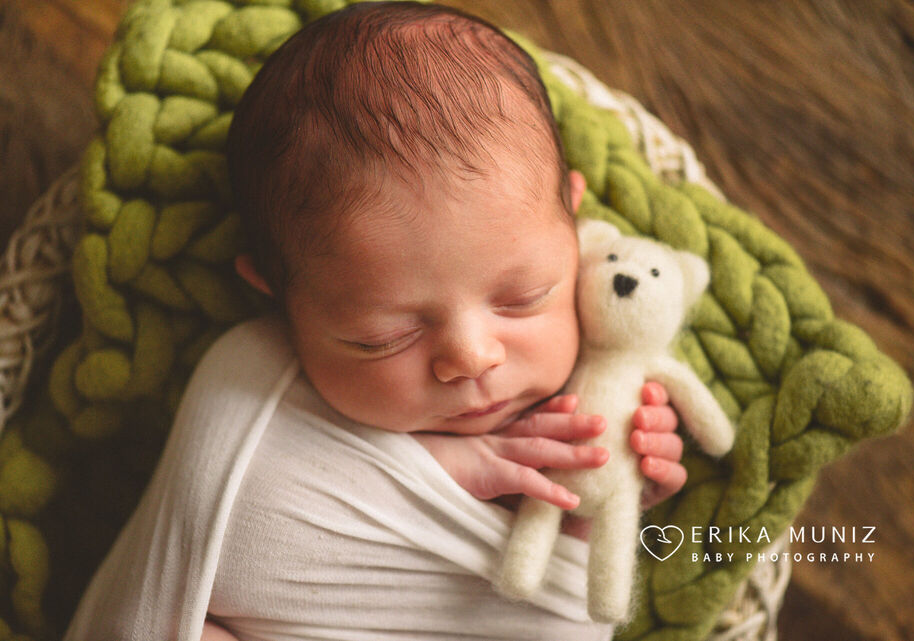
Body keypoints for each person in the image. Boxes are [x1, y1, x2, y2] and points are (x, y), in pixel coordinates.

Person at [65, 3, 690, 640]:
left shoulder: (598, 386)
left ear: (574, 225)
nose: (472, 358)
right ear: (280, 297)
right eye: (383, 338)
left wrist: (613, 492)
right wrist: (449, 469)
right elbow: (233, 528)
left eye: (522, 298)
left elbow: (558, 601)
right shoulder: (249, 375)